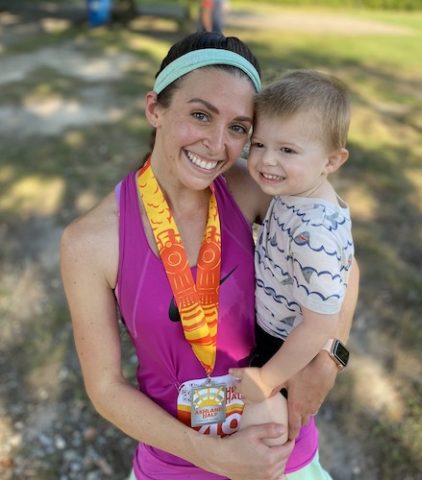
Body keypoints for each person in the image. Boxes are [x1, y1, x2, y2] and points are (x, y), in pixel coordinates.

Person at [60, 32, 359, 480]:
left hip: (277, 450)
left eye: (239, 128)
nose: (218, 145)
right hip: (175, 461)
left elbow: (343, 266)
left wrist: (329, 358)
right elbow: (105, 388)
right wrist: (210, 455)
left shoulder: (252, 186)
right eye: (201, 115)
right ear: (154, 109)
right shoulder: (89, 242)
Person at [230, 70, 354, 457]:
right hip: (276, 332)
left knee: (267, 436)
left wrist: (268, 378)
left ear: (332, 160)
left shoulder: (313, 233)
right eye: (260, 144)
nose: (266, 160)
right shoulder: (295, 191)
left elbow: (320, 324)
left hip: (284, 347)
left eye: (287, 150)